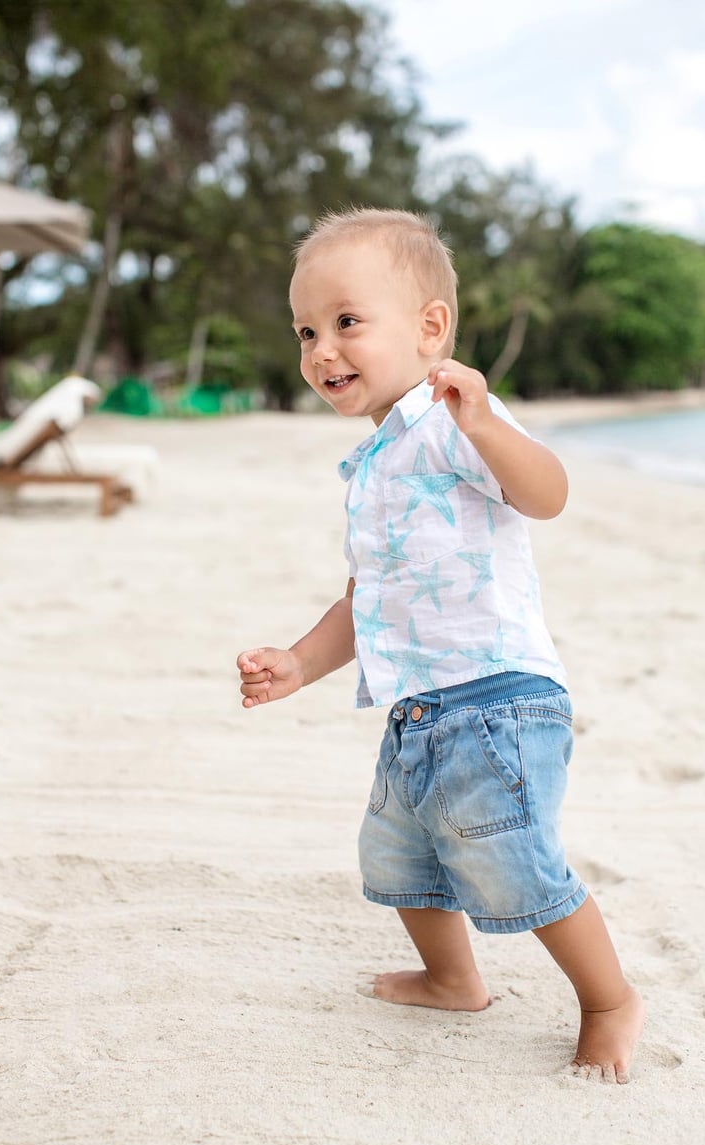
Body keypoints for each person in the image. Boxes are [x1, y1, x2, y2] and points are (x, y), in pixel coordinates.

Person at [237, 207, 643, 1083]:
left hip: (499, 697)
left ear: (431, 329)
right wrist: (302, 662)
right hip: (418, 706)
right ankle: (454, 978)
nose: (320, 350)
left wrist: (489, 426)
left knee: (513, 859)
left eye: (347, 322)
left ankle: (610, 1000)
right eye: (307, 330)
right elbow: (366, 600)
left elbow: (549, 494)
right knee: (400, 855)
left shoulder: (457, 416)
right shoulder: (377, 460)